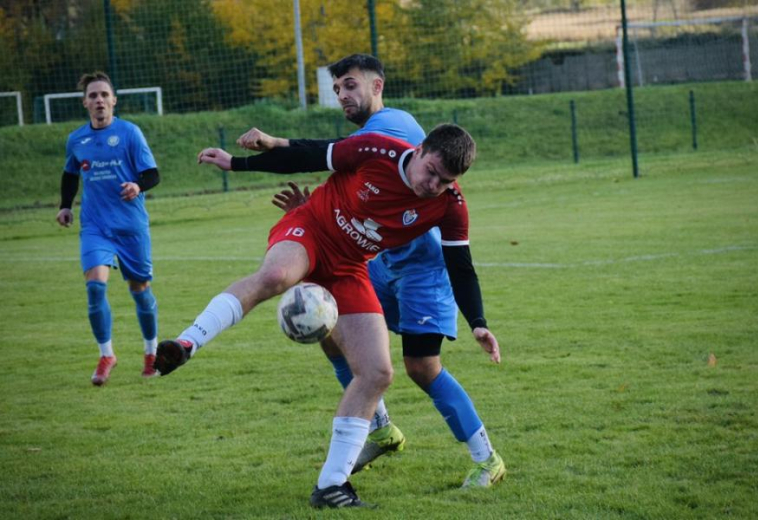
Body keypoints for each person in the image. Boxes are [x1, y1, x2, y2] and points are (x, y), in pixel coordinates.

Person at [156, 123, 485, 508]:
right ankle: (187, 342)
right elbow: (308, 153)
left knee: (378, 372)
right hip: (309, 228)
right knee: (276, 276)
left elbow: (460, 266)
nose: (433, 185)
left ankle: (331, 487)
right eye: (431, 172)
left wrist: (479, 323)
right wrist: (237, 164)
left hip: (348, 269)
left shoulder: (449, 205)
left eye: (445, 181)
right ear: (421, 149)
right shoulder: (376, 151)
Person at [236, 54, 505, 489]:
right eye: (338, 88)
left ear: (376, 87)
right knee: (330, 329)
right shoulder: (365, 135)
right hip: (379, 262)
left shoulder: (392, 128)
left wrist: (273, 141)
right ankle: (379, 427)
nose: (343, 95)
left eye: (351, 86)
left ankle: (486, 457)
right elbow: (352, 191)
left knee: (421, 366)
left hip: (422, 269)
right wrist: (310, 210)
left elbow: (327, 153)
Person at [57, 71, 161, 386]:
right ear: (84, 103)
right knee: (95, 286)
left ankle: (151, 353)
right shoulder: (77, 140)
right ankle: (106, 355)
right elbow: (70, 174)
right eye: (93, 96)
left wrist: (136, 186)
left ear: (114, 100)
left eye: (104, 94)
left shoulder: (130, 133)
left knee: (140, 292)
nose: (99, 100)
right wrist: (65, 205)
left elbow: (153, 174)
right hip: (95, 226)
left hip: (130, 226)